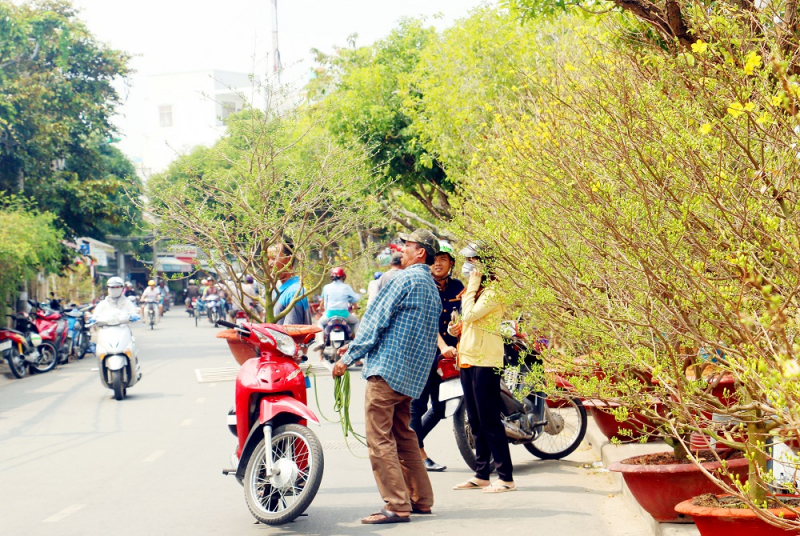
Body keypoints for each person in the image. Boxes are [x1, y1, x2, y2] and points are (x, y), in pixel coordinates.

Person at [332, 228, 441, 525]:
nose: (402, 249)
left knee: (379, 439)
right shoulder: (431, 287)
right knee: (403, 434)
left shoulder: (402, 279)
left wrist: (347, 358)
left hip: (387, 371)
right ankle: (421, 500)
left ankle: (397, 504)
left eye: (407, 245)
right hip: (410, 377)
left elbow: (374, 322)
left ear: (421, 252)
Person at [451, 243, 514, 493]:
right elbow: (464, 321)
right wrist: (453, 330)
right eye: (466, 260)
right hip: (467, 358)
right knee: (474, 419)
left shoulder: (493, 291)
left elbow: (470, 315)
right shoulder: (473, 291)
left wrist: (473, 286)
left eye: (473, 260)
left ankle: (506, 477)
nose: (468, 265)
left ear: (484, 263)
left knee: (490, 420)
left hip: (486, 360)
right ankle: (481, 474)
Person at [410, 240, 463, 472]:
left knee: (440, 408)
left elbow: (464, 318)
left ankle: (407, 446)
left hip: (448, 359)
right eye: (436, 258)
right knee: (417, 406)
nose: (439, 263)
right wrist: (442, 346)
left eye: (444, 259)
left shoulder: (458, 287)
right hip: (423, 353)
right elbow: (425, 323)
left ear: (451, 263)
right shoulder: (423, 285)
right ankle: (418, 453)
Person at [269, 238, 311, 325]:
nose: (269, 263)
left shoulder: (293, 293)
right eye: (268, 259)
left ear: (288, 260)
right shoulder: (280, 290)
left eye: (273, 258)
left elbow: (291, 334)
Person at [318, 267, 361, 334]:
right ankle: (357, 340)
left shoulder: (326, 287)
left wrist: (320, 308)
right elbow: (354, 298)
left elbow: (323, 300)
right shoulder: (346, 287)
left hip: (329, 314)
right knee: (356, 321)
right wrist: (354, 305)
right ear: (343, 277)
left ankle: (321, 342)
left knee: (320, 323)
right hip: (344, 315)